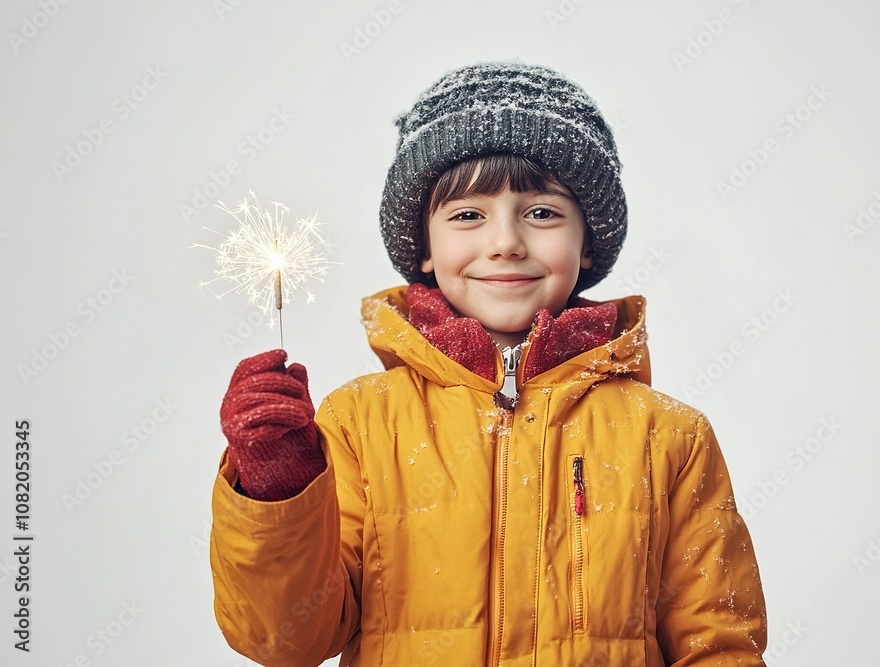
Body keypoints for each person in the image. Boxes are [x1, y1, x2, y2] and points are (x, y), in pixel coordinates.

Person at [211, 61, 767, 666]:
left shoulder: (670, 438)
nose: (505, 241)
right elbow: (286, 640)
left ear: (588, 243)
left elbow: (718, 643)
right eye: (468, 215)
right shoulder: (359, 424)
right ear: (424, 246)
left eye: (542, 213)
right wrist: (279, 489)